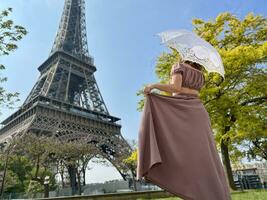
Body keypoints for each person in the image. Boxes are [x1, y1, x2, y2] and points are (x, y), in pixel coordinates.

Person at [137, 60, 232, 200]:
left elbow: (176, 88)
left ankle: (191, 190)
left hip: (180, 110)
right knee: (204, 155)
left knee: (179, 151)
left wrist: (153, 86)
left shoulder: (178, 66)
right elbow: (193, 92)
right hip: (198, 111)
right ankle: (214, 193)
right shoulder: (201, 74)